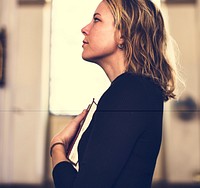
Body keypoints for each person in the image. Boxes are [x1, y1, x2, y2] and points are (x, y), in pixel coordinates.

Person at [50, 0, 177, 187]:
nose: (85, 29)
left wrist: (57, 146)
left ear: (123, 34)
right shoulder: (139, 90)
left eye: (96, 20)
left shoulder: (129, 92)